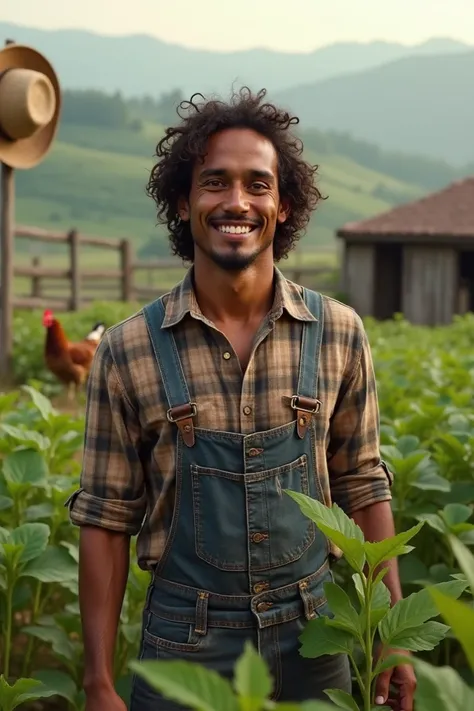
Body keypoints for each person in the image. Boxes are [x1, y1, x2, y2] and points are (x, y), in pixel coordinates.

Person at [68, 87, 416, 711]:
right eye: (214, 182)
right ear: (183, 201)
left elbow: (363, 485)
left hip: (318, 636)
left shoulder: (338, 333)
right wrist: (97, 679)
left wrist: (388, 635)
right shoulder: (126, 351)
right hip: (183, 643)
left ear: (283, 206)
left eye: (258, 185)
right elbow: (105, 519)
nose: (237, 202)